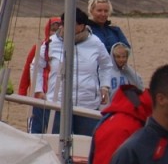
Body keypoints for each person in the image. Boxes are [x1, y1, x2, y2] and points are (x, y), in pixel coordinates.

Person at [31, 7, 115, 136]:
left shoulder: (95, 42)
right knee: (57, 140)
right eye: (65, 24)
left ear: (82, 26)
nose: (67, 27)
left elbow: (106, 64)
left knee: (86, 142)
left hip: (87, 104)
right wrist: (38, 90)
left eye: (73, 24)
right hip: (58, 104)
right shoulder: (51, 42)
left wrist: (104, 86)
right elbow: (36, 65)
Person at [20, 16, 59, 133]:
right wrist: (22, 92)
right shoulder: (39, 47)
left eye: (58, 30)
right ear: (47, 30)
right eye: (53, 30)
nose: (55, 33)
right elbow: (28, 68)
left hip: (55, 94)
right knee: (36, 127)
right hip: (39, 93)